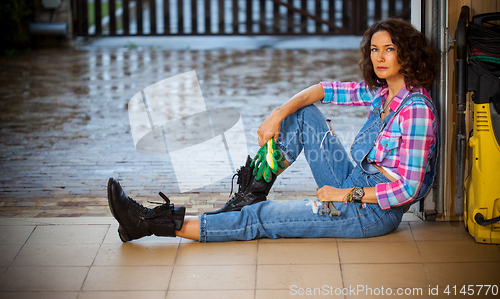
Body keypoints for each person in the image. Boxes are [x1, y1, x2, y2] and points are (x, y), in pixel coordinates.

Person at [107, 18, 440, 242]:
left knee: (264, 218)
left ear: (406, 54)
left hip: (368, 211)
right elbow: (324, 90)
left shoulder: (417, 111)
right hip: (353, 181)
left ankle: (152, 223)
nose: (380, 57)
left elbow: (407, 191)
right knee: (303, 114)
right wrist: (277, 114)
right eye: (374, 49)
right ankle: (250, 192)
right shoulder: (384, 91)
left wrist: (344, 195)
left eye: (389, 49)